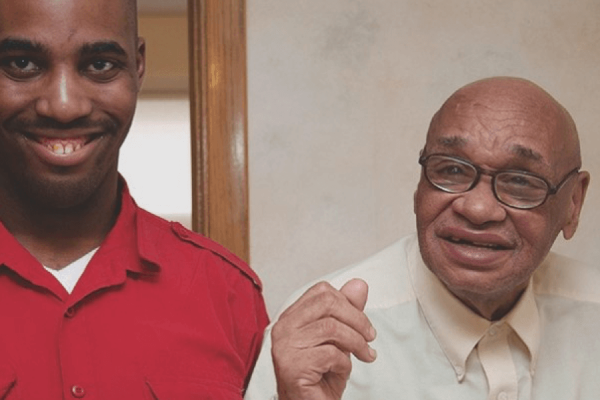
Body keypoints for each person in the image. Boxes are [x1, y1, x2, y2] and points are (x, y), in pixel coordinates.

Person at [245, 77, 597, 400]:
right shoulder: (322, 337)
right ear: (419, 188)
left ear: (573, 204)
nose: (476, 208)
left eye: (520, 180)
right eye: (452, 170)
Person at [0, 0, 268, 398]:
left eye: (99, 64)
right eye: (22, 64)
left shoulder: (227, 293)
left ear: (137, 67)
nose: (63, 105)